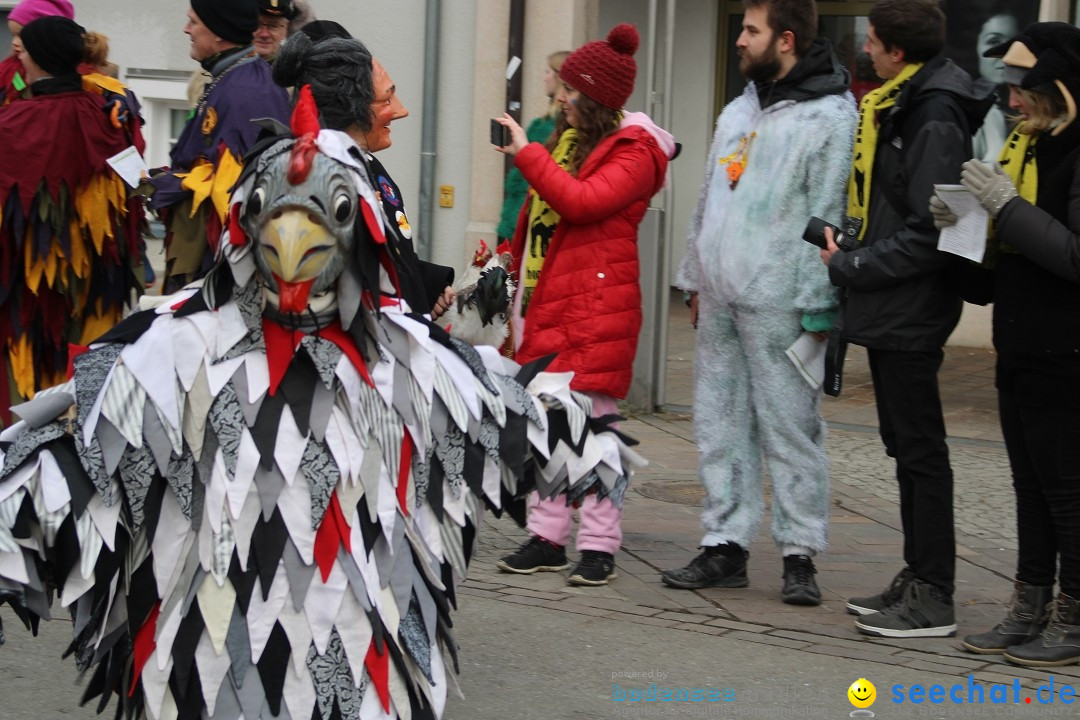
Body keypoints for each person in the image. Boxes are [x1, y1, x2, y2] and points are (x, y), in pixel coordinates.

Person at [659, 0, 855, 606]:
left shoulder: (829, 115)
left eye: (751, 30)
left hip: (781, 301)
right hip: (720, 296)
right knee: (719, 423)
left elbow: (827, 214)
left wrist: (817, 307)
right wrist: (694, 276)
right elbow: (707, 199)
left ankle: (800, 553)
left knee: (791, 428)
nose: (738, 40)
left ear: (786, 39)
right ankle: (725, 544)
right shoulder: (738, 108)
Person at [820, 0, 990, 637]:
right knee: (905, 445)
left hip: (912, 305)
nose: (865, 48)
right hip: (896, 301)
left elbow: (936, 231)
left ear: (894, 50)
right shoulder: (912, 102)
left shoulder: (935, 114)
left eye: (871, 40)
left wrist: (854, 267)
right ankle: (918, 574)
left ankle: (935, 593)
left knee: (921, 451)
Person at [492, 23, 675, 586]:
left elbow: (580, 201)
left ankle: (598, 546)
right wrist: (505, 258)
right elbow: (536, 218)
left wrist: (526, 156)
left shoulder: (636, 152)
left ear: (595, 98)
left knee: (596, 432)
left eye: (572, 91)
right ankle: (547, 537)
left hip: (599, 304)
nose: (561, 98)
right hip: (554, 297)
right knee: (550, 425)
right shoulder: (569, 144)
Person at [931, 22, 1080, 667]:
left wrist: (1007, 208)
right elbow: (993, 280)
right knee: (1028, 484)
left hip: (1067, 354)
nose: (1011, 102)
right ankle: (1029, 606)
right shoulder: (1033, 147)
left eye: (1023, 89)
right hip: (1020, 347)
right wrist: (958, 232)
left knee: (1066, 490)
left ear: (1059, 88)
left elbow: (1074, 256)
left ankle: (1072, 617)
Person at [0, 16, 145, 423]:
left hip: (29, 295)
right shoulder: (110, 114)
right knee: (86, 377)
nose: (19, 56)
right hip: (98, 283)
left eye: (24, 49)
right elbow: (136, 184)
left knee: (30, 385)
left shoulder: (12, 126)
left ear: (40, 59)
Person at [272, 32, 455, 318]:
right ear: (350, 107)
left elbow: (386, 257)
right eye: (387, 99)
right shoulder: (312, 183)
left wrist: (427, 285)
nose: (401, 111)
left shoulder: (366, 166)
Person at [151, 0, 291, 293]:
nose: (186, 29)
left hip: (221, 274)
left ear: (217, 32)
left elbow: (236, 200)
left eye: (194, 22)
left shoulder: (247, 93)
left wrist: (174, 186)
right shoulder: (229, 79)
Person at [495, 50, 569, 242]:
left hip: (529, 224)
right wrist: (517, 150)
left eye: (548, 72)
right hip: (518, 219)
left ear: (559, 77)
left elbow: (546, 174)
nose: (545, 78)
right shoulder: (542, 123)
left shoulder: (557, 126)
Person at [0, 0, 73, 104]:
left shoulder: (71, 79)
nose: (14, 43)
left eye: (21, 36)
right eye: (13, 35)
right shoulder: (9, 69)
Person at [972, 6, 1020, 162]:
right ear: (976, 46)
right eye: (993, 41)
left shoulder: (1030, 109)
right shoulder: (965, 107)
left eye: (1013, 44)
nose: (1005, 55)